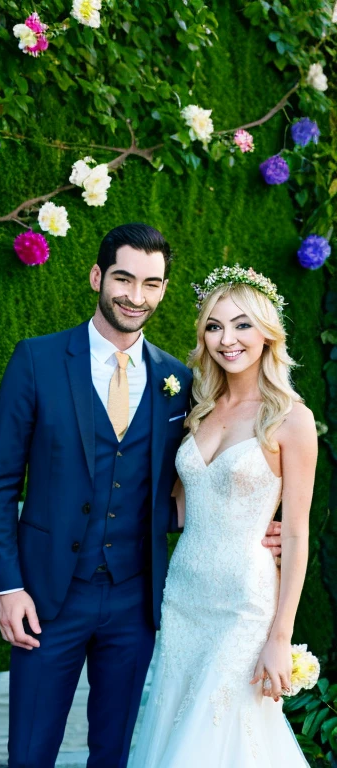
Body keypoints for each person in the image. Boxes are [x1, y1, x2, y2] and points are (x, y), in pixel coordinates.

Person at [0, 227, 281, 768]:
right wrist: (9, 585)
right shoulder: (37, 360)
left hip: (134, 601)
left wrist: (248, 525)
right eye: (123, 278)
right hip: (47, 597)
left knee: (115, 751)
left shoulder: (179, 379)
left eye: (150, 283)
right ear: (98, 277)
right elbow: (0, 483)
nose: (135, 296)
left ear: (163, 290)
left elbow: (192, 483)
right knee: (28, 750)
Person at [129, 266, 317, 768]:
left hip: (244, 605)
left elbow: (297, 532)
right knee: (175, 724)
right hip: (185, 596)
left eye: (241, 325)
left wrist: (280, 636)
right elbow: (177, 500)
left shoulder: (290, 418)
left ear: (266, 333)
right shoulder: (197, 408)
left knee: (216, 734)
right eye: (214, 326)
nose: (227, 339)